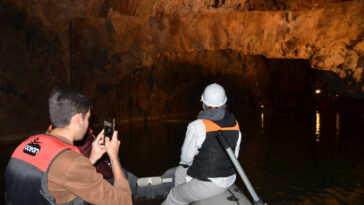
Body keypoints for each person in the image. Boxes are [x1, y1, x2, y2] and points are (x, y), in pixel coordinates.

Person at [5, 87, 132, 205]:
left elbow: (58, 176)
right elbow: (124, 202)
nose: (88, 124)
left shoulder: (24, 145)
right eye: (88, 118)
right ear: (78, 119)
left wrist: (91, 159)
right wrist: (114, 157)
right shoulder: (71, 162)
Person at [162, 83, 242, 205]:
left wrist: (196, 171)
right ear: (224, 102)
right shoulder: (235, 124)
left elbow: (186, 159)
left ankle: (179, 196)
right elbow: (234, 157)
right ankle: (185, 196)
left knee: (174, 195)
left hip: (208, 183)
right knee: (179, 172)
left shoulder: (197, 126)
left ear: (203, 102)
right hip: (229, 178)